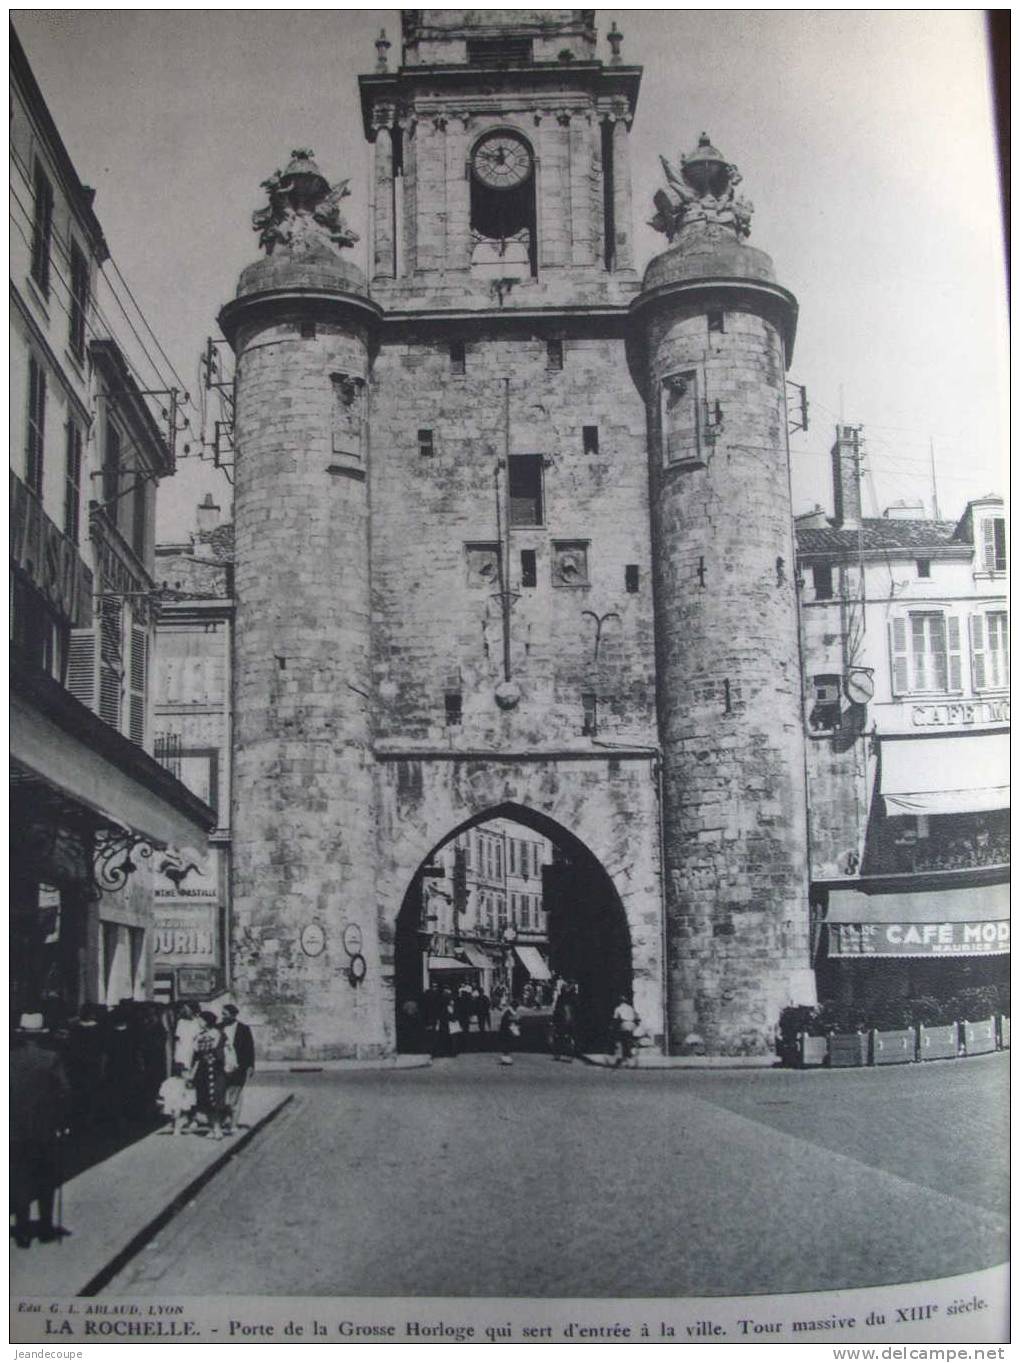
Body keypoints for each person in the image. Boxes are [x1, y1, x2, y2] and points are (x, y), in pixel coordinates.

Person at [10, 1013, 71, 1247]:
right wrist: (62, 1121)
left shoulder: (8, 1060)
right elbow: (65, 1091)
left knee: (18, 1178)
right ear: (41, 1034)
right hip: (44, 1130)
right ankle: (45, 1228)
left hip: (13, 1131)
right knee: (45, 1178)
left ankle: (23, 1230)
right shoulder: (50, 1058)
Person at [189, 1011, 227, 1139]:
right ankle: (212, 1127)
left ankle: (217, 1127)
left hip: (216, 1070)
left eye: (200, 1020)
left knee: (216, 1097)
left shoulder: (218, 1034)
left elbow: (221, 1052)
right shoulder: (199, 1036)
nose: (199, 1022)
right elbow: (195, 1056)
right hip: (203, 1071)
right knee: (205, 1098)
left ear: (206, 1021)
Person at [219, 1004, 255, 1133]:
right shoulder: (219, 1028)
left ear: (233, 1015)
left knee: (236, 1096)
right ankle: (224, 1120)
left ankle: (233, 1124)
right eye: (222, 1014)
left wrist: (250, 1066)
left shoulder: (243, 1029)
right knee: (222, 1095)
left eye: (225, 1014)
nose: (222, 1017)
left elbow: (249, 1048)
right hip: (222, 1067)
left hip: (239, 1067)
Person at [551, 981, 577, 1062]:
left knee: (559, 1037)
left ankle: (558, 1054)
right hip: (571, 1019)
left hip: (562, 1019)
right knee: (570, 1037)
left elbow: (556, 1010)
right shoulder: (574, 998)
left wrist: (553, 1020)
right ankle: (570, 1055)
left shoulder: (561, 998)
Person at [612, 994, 639, 1068]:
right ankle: (631, 1059)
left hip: (624, 1024)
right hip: (632, 1025)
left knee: (623, 1042)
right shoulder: (630, 1008)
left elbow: (615, 1019)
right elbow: (636, 1017)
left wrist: (613, 1027)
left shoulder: (618, 1008)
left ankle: (624, 1059)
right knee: (630, 1041)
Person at [497, 1001, 520, 1067]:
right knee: (507, 1045)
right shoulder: (508, 1012)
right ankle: (506, 1059)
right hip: (506, 1030)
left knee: (508, 1045)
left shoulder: (508, 1012)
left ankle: (506, 1058)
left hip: (506, 1030)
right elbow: (509, 1021)